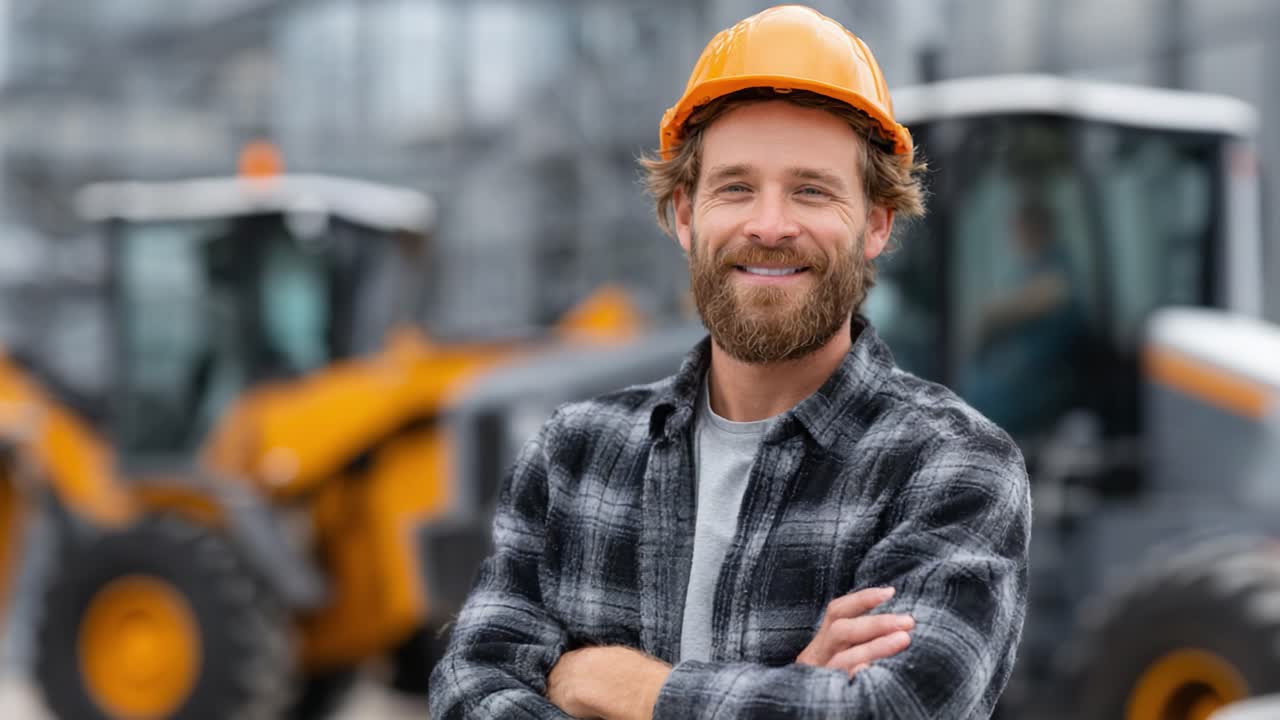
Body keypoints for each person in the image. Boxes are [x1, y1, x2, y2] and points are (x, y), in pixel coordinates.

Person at [429, 6, 1031, 718]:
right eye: (736, 187)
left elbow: (894, 710)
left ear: (875, 223)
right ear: (685, 215)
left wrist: (618, 686)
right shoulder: (574, 458)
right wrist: (795, 690)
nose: (769, 225)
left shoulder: (950, 468)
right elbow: (469, 690)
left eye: (811, 190)